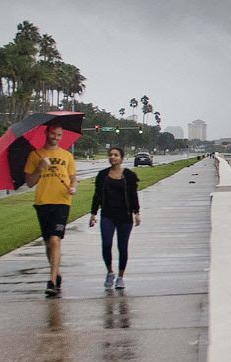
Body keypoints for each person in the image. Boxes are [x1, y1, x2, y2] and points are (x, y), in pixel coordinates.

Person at [22, 123, 78, 297]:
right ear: (47, 133)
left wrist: (73, 187)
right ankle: (57, 272)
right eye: (53, 134)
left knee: (55, 240)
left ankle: (51, 281)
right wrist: (39, 168)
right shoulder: (35, 155)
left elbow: (73, 178)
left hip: (61, 202)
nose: (56, 137)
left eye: (59, 135)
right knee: (48, 243)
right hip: (42, 202)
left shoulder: (67, 155)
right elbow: (30, 182)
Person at [87, 146, 142, 290]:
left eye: (116, 155)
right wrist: (93, 214)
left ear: (122, 158)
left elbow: (133, 195)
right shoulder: (102, 175)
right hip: (107, 215)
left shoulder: (128, 175)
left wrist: (136, 213)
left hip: (125, 216)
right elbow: (97, 195)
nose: (113, 157)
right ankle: (110, 272)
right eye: (111, 155)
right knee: (106, 244)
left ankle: (120, 277)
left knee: (122, 247)